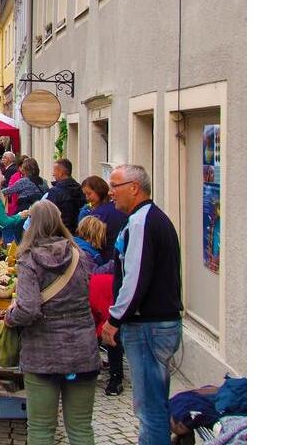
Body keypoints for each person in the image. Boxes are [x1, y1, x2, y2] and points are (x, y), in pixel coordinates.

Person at [5, 199, 99, 445]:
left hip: (43, 352)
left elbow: (28, 308)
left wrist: (9, 317)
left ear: (31, 224)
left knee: (41, 429)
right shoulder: (80, 255)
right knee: (80, 428)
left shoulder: (29, 259)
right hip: (82, 350)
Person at [100, 165, 183, 445]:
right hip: (157, 323)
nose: (110, 193)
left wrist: (114, 319)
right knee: (154, 402)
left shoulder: (142, 223)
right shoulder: (149, 218)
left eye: (115, 186)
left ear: (134, 188)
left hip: (149, 325)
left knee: (149, 407)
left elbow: (134, 278)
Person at [78, 215, 124, 396]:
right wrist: (114, 264)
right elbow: (92, 275)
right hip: (95, 293)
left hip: (89, 295)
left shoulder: (78, 248)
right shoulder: (87, 252)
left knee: (97, 330)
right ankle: (115, 377)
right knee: (109, 332)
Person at [79, 175, 129, 252]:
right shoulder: (118, 207)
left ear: (99, 191)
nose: (87, 198)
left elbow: (91, 243)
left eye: (89, 194)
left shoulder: (97, 214)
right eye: (85, 194)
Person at [47, 158, 86, 233]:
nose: (53, 174)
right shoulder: (80, 189)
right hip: (77, 234)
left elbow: (48, 215)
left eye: (55, 171)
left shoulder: (55, 192)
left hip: (59, 234)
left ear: (61, 173)